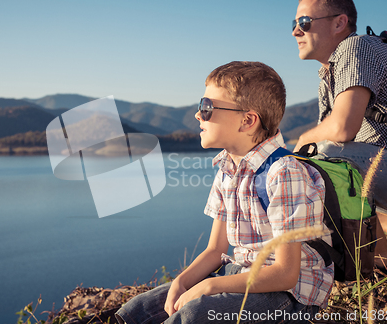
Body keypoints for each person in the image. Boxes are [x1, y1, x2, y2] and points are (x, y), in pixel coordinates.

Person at [115, 61, 333, 324]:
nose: (198, 115)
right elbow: (215, 249)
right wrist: (181, 282)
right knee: (139, 310)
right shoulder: (227, 170)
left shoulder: (284, 172)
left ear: (248, 121)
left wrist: (210, 287)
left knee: (195, 315)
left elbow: (286, 273)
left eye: (207, 108)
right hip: (240, 273)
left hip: (290, 295)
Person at [291, 0, 387, 268]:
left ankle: (385, 264)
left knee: (321, 158)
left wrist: (300, 141)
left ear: (339, 23)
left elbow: (341, 129)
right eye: (294, 23)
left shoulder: (356, 48)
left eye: (304, 21)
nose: (295, 31)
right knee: (313, 162)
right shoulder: (329, 72)